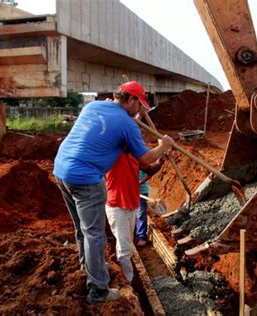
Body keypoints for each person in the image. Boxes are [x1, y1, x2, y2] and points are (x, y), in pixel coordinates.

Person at [53, 81, 173, 304]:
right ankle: (98, 290)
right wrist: (164, 145)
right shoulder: (127, 125)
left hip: (62, 170)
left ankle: (87, 266)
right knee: (95, 234)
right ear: (131, 100)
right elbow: (146, 158)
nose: (141, 110)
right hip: (86, 178)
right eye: (140, 104)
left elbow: (113, 127)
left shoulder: (93, 106)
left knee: (82, 228)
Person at [105, 151, 164, 282]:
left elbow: (149, 169)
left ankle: (128, 277)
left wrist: (160, 161)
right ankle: (128, 280)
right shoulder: (111, 155)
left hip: (131, 206)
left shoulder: (135, 157)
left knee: (129, 241)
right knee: (124, 246)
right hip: (117, 207)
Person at [136, 170, 150, 246]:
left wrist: (140, 182)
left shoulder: (142, 160)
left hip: (142, 191)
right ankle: (134, 233)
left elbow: (149, 172)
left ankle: (141, 236)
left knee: (141, 213)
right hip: (128, 191)